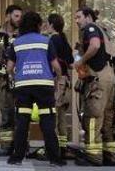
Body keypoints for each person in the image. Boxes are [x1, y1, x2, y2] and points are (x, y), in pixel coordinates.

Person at [5, 11, 64, 167]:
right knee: (48, 123)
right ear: (38, 25)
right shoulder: (46, 41)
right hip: (44, 86)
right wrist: (59, 78)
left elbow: (9, 67)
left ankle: (17, 158)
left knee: (22, 123)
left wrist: (14, 76)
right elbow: (56, 66)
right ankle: (54, 159)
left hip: (23, 86)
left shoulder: (16, 43)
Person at [73, 7, 115, 166]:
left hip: (98, 78)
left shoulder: (90, 28)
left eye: (78, 17)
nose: (76, 21)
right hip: (108, 77)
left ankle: (93, 156)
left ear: (88, 17)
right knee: (107, 118)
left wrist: (81, 61)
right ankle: (110, 155)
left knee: (93, 117)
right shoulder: (103, 31)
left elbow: (94, 46)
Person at [0, 4, 22, 156]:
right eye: (16, 16)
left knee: (22, 114)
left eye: (20, 16)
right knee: (6, 113)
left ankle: (22, 146)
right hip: (3, 81)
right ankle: (6, 147)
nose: (19, 19)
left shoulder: (23, 34)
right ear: (8, 16)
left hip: (20, 79)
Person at [45, 13, 74, 159]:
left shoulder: (52, 40)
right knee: (62, 117)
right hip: (66, 81)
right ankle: (63, 147)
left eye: (47, 23)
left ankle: (52, 149)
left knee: (52, 116)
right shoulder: (64, 40)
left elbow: (51, 61)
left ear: (51, 25)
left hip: (56, 81)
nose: (46, 26)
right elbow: (71, 61)